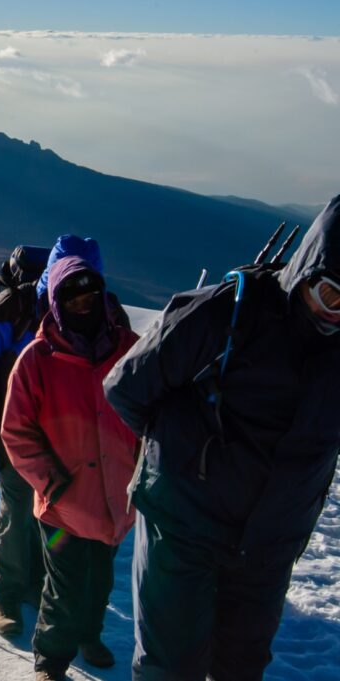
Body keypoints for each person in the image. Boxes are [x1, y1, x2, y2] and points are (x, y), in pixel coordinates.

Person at [103, 195, 340, 681]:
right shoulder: (228, 312)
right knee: (169, 670)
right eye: (332, 294)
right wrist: (185, 464)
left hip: (270, 545)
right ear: (308, 270)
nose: (338, 314)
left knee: (241, 668)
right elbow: (127, 388)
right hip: (185, 528)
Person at [0, 236, 129, 638]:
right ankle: (8, 594)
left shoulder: (110, 317)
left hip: (85, 449)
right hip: (21, 436)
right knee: (18, 517)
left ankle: (41, 593)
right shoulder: (14, 308)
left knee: (58, 531)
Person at [1, 256, 139, 681]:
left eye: (90, 297)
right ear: (56, 303)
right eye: (72, 298)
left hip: (118, 497)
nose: (83, 305)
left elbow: (156, 413)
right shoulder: (37, 359)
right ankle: (51, 659)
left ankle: (89, 635)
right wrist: (51, 482)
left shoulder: (130, 348)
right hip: (64, 502)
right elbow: (16, 432)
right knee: (64, 585)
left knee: (99, 581)